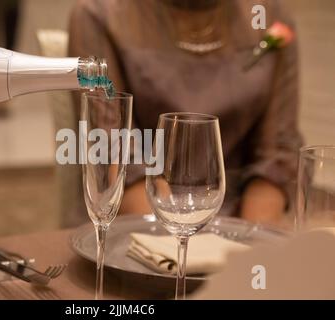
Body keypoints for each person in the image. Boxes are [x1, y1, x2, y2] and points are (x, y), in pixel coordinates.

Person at [68, 0, 302, 224]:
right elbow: (113, 148)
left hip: (239, 219)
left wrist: (250, 250)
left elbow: (276, 152)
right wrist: (175, 252)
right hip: (137, 220)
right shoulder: (99, 13)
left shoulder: (269, 15)